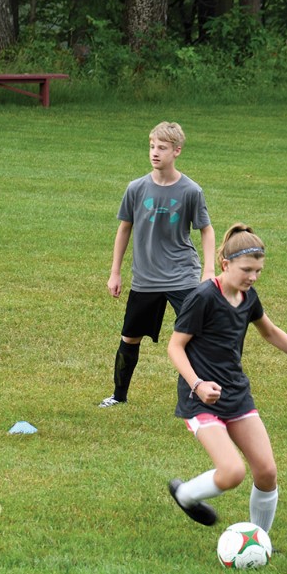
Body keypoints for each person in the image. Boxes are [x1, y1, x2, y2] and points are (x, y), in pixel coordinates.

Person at [166, 223, 287, 531]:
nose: (252, 277)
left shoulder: (248, 297)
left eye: (258, 271)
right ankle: (185, 494)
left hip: (236, 393)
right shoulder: (203, 297)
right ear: (225, 264)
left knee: (266, 471)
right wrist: (197, 385)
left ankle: (259, 540)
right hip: (200, 399)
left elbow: (270, 332)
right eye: (246, 270)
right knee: (232, 472)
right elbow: (175, 347)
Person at [100, 121, 216, 408]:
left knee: (195, 337)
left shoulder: (191, 190)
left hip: (183, 276)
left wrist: (209, 269)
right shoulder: (136, 188)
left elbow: (207, 229)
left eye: (162, 148)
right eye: (152, 146)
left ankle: (203, 394)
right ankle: (118, 396)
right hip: (146, 278)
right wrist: (115, 272)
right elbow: (124, 229)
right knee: (130, 338)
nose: (155, 152)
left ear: (176, 151)